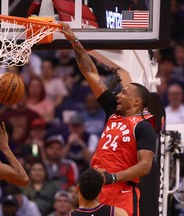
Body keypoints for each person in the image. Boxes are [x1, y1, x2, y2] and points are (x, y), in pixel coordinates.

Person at [61, 23, 157, 216]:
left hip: (121, 191)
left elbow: (145, 166)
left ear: (137, 101)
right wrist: (75, 41)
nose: (118, 95)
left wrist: (112, 177)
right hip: (98, 192)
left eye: (124, 92)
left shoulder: (143, 127)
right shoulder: (112, 111)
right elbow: (90, 74)